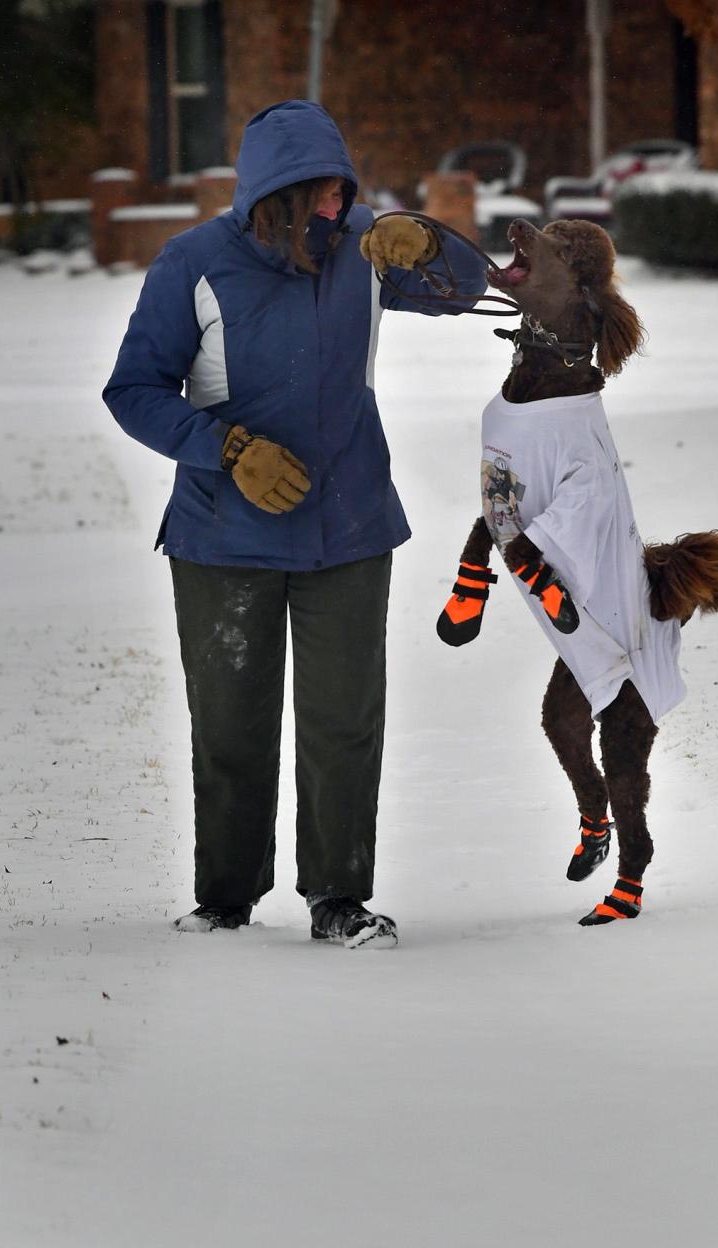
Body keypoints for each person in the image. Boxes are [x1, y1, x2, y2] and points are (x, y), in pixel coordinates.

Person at [103, 100, 486, 948]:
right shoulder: (194, 263)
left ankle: (339, 899)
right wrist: (229, 447)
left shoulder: (363, 250)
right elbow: (132, 391)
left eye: (337, 192)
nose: (329, 210)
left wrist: (425, 238)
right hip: (220, 536)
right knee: (231, 722)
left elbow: (470, 289)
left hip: (348, 528)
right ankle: (225, 898)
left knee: (345, 723)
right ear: (266, 197)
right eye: (311, 195)